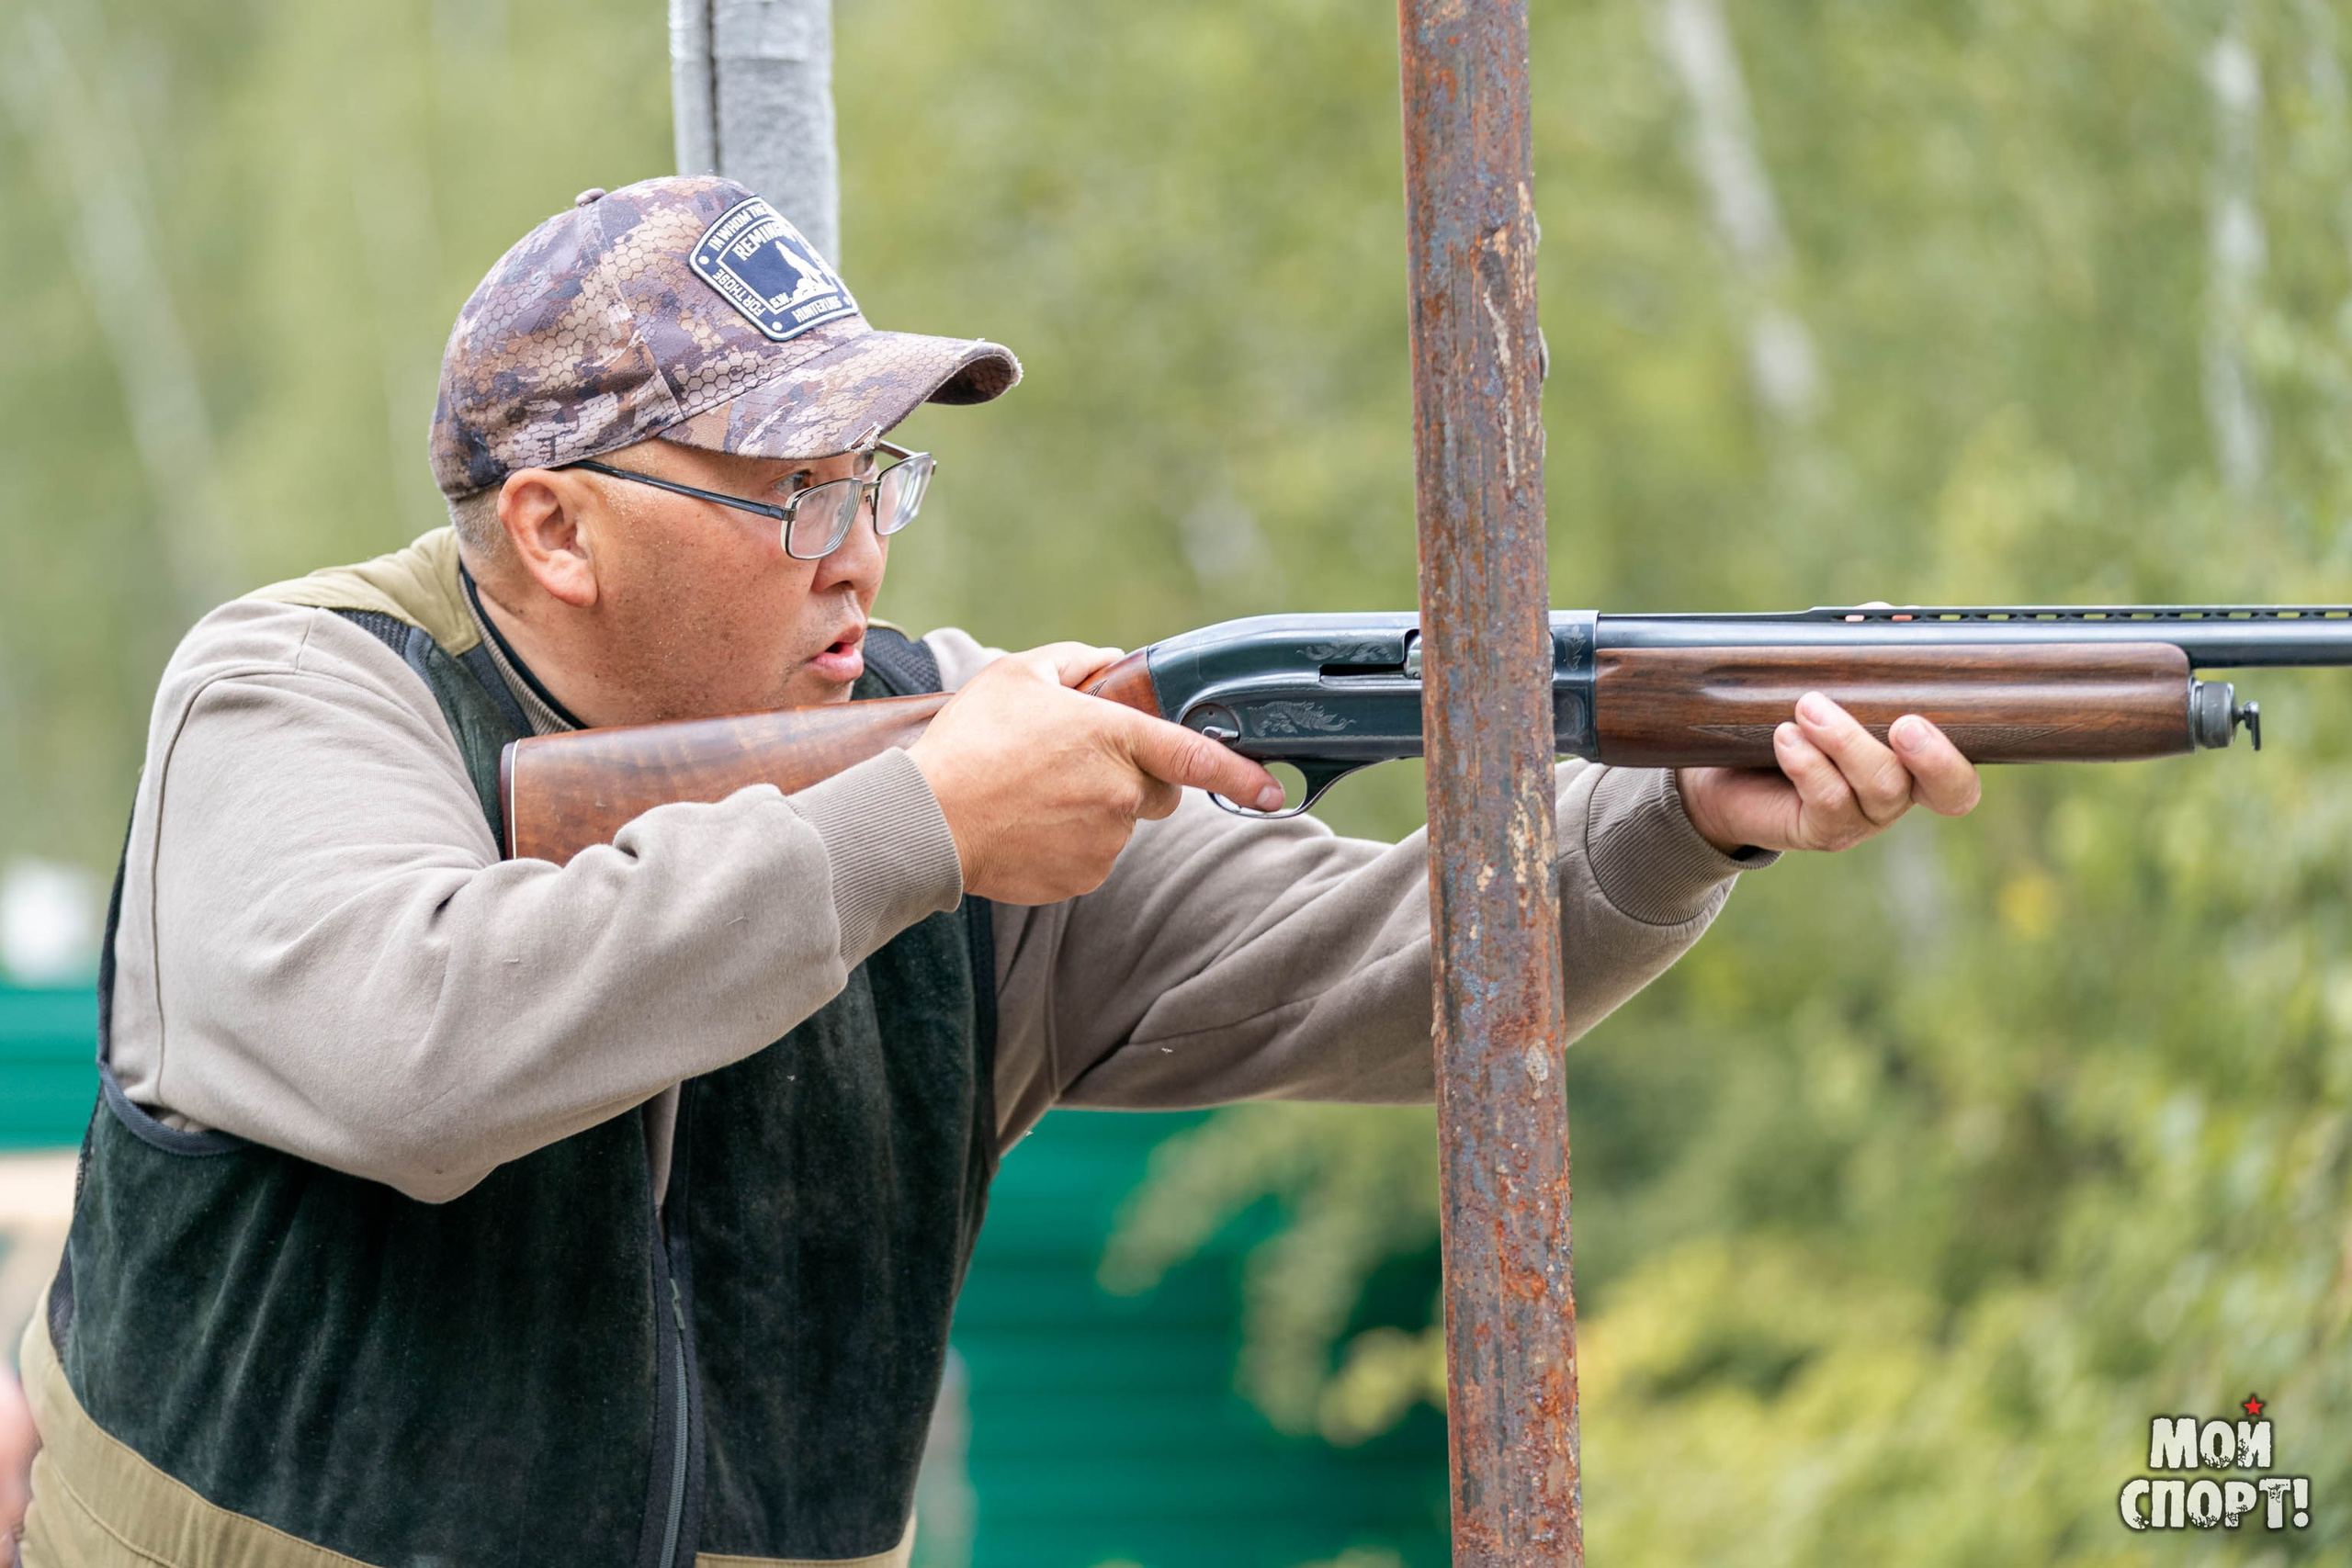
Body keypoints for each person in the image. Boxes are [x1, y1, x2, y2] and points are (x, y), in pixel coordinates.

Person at [14, 176, 1979, 1567]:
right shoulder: (301, 690)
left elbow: (1397, 970)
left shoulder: (936, 742)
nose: (859, 547)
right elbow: (407, 1045)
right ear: (551, 528)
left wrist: (1671, 819)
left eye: (876, 477)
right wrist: (914, 829)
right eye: (790, 491)